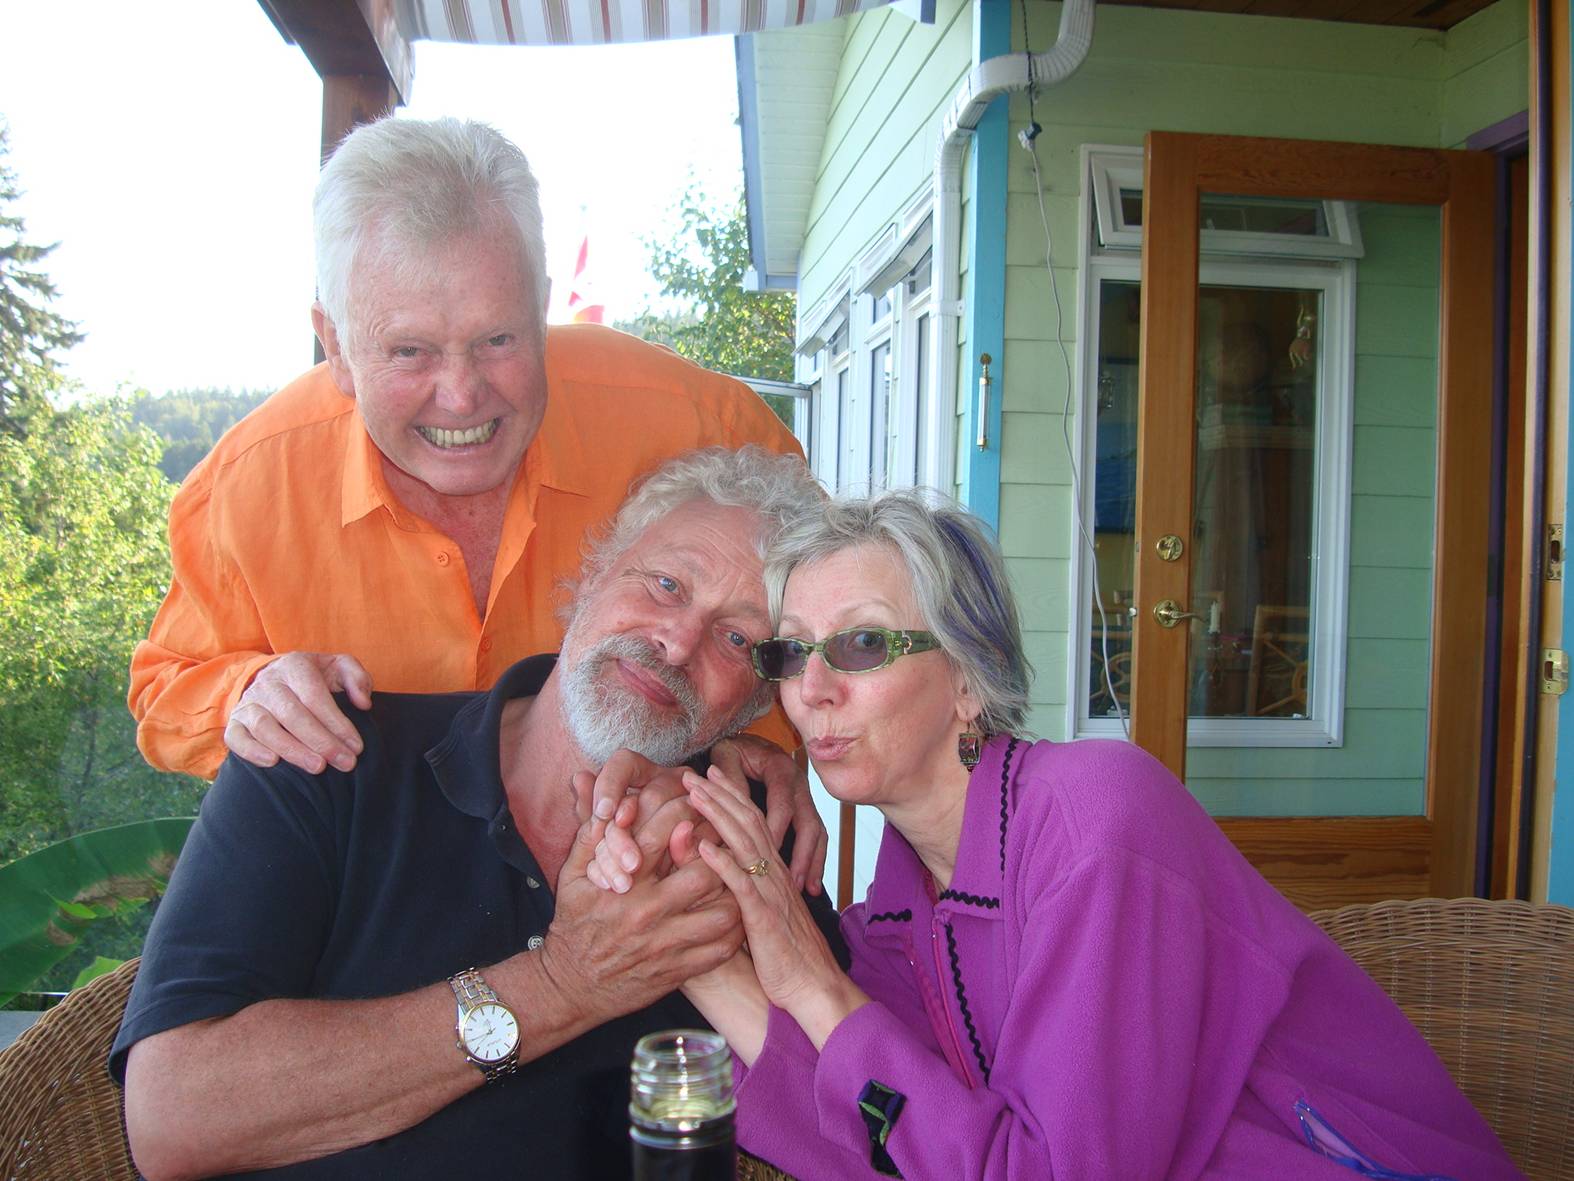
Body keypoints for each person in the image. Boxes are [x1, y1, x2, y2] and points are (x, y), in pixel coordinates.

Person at [651, 490, 1523, 1180]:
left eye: (864, 644)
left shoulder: (1096, 823)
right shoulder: (904, 891)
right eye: (792, 652)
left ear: (968, 678)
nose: (811, 691)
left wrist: (809, 977)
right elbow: (894, 1136)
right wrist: (700, 960)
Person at [126, 115, 824, 888]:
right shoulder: (247, 489)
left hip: (633, 887)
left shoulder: (699, 425)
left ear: (543, 306)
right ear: (335, 343)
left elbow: (822, 611)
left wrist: (761, 734)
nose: (461, 396)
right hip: (364, 916)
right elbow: (164, 688)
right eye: (409, 351)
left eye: (498, 340)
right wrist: (247, 695)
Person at [112, 448, 838, 1181]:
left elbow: (858, 1123)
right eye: (664, 584)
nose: (677, 642)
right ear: (591, 577)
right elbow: (173, 1113)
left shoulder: (757, 837)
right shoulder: (327, 756)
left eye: (738, 638)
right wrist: (563, 983)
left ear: (756, 697)